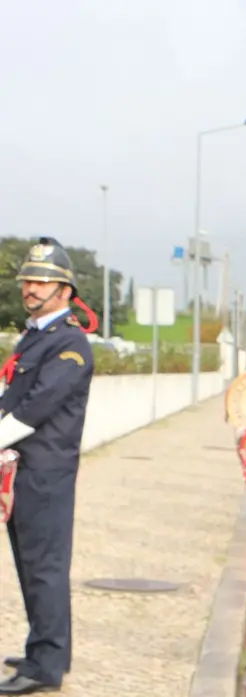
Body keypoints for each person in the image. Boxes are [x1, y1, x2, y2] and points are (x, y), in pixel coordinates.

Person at [0, 238, 95, 694]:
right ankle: (46, 647)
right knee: (31, 566)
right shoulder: (37, 335)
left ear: (65, 291)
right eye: (29, 281)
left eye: (43, 282)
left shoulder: (70, 343)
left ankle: (45, 667)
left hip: (45, 473)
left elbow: (34, 408)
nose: (32, 288)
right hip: (26, 470)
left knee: (44, 569)